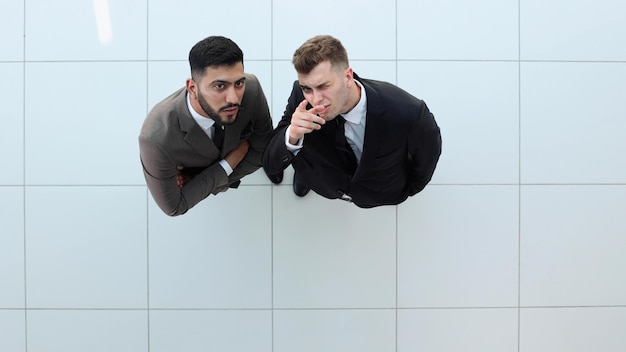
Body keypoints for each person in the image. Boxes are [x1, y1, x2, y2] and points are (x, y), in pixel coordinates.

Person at [263, 35, 441, 208]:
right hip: (320, 178)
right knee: (307, 168)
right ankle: (305, 177)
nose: (315, 99)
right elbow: (270, 163)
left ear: (348, 77)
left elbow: (426, 161)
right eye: (307, 88)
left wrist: (405, 190)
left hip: (376, 192)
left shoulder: (408, 113)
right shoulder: (300, 98)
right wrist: (292, 135)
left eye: (323, 86)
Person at [139, 36, 273, 216]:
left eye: (239, 83)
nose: (233, 98)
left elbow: (263, 149)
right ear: (193, 88)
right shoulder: (155, 138)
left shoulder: (252, 88)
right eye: (219, 86)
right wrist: (227, 164)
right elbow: (173, 206)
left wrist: (197, 181)